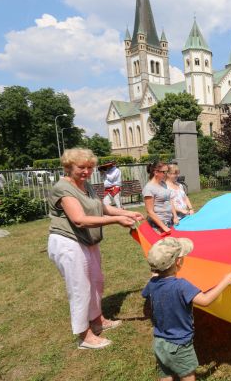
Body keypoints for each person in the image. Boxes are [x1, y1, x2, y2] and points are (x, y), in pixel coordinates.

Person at [47, 148, 144, 349]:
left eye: (90, 167)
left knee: (96, 282)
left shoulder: (86, 185)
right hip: (68, 242)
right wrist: (117, 220)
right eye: (81, 167)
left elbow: (104, 208)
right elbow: (79, 220)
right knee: (80, 288)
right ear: (68, 167)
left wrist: (127, 212)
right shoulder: (62, 188)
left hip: (87, 242)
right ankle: (85, 336)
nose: (86, 171)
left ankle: (97, 321)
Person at [142, 237, 231, 381]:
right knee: (188, 376)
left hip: (159, 342)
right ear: (179, 262)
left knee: (166, 375)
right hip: (180, 345)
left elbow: (146, 293)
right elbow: (205, 300)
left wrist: (154, 276)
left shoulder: (152, 283)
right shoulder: (181, 286)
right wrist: (225, 282)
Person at [144, 161, 178, 234]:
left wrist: (175, 216)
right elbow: (150, 211)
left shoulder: (163, 184)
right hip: (158, 226)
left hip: (169, 222)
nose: (166, 174)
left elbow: (169, 200)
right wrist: (164, 227)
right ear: (156, 172)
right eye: (164, 172)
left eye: (167, 171)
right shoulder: (149, 188)